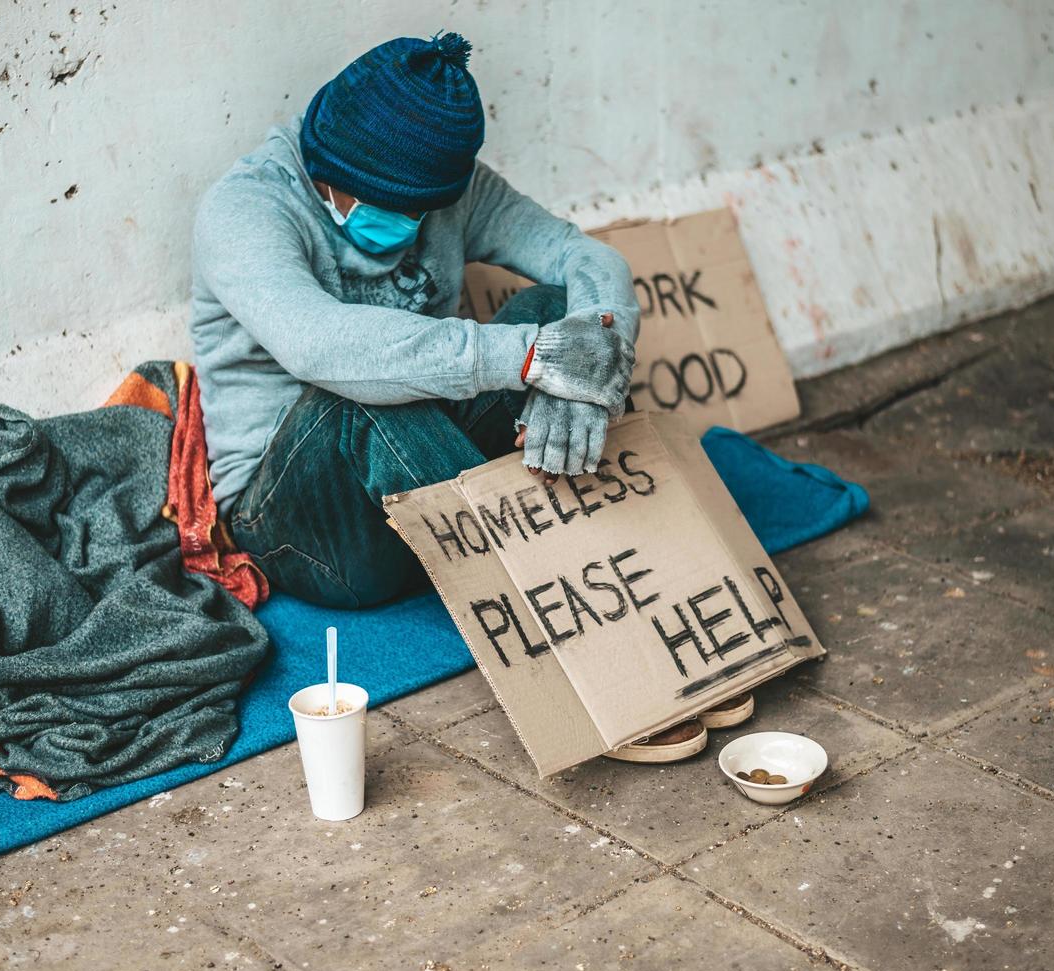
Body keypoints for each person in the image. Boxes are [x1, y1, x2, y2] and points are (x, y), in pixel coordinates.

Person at [190, 31, 744, 761]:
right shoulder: (246, 210)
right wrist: (529, 359)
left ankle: (601, 582)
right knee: (362, 395)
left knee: (559, 304)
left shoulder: (448, 190)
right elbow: (322, 348)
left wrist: (578, 379)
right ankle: (594, 649)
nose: (406, 225)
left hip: (428, 493)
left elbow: (586, 258)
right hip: (301, 527)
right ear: (327, 169)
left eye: (420, 209)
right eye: (384, 203)